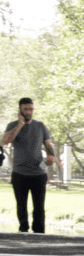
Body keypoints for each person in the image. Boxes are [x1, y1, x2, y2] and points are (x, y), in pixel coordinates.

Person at [2, 98, 57, 233]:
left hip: (39, 173)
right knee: (21, 206)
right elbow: (6, 140)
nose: (28, 112)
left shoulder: (40, 126)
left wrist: (52, 156)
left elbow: (48, 145)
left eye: (31, 109)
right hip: (19, 173)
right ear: (20, 109)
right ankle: (23, 232)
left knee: (39, 207)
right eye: (25, 109)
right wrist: (20, 125)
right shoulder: (12, 125)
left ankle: (39, 234)